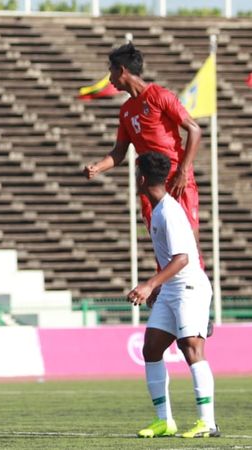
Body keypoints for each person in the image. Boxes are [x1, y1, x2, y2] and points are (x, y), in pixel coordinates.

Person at [129, 152, 217, 439]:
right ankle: (164, 421)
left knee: (191, 348)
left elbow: (182, 259)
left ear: (141, 177)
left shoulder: (168, 212)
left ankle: (208, 422)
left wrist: (150, 285)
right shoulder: (158, 210)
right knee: (151, 348)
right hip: (172, 289)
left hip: (189, 287)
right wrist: (159, 287)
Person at [83, 43, 203, 254]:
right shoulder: (126, 110)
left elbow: (194, 130)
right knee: (162, 245)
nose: (109, 78)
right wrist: (97, 168)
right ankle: (167, 285)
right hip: (150, 184)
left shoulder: (159, 95)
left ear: (121, 70)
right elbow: (119, 152)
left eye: (110, 71)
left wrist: (184, 171)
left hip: (177, 179)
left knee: (189, 243)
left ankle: (194, 284)